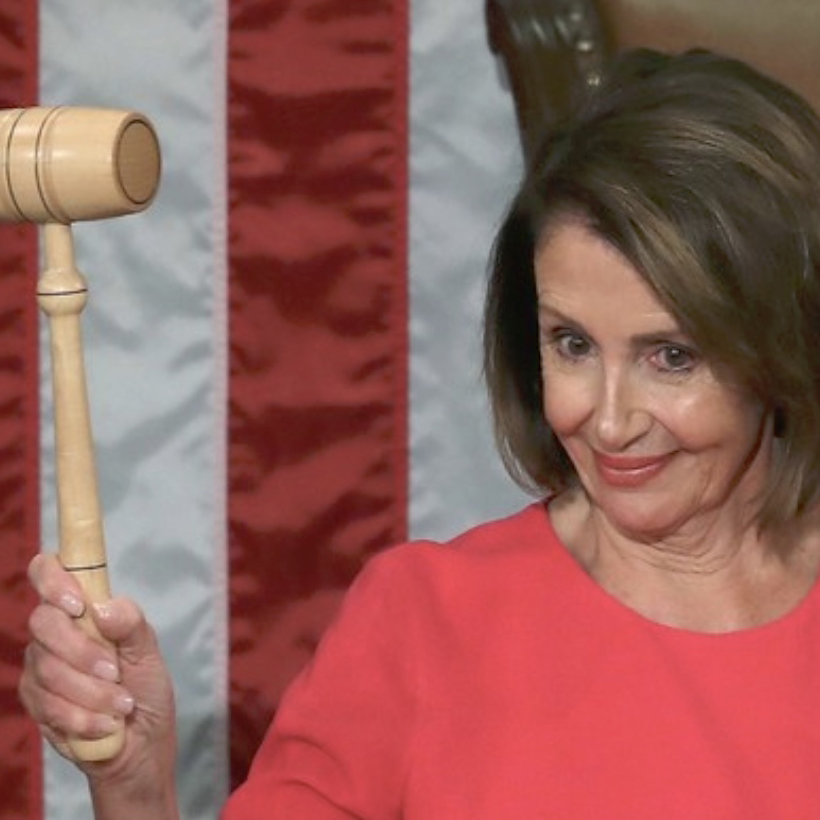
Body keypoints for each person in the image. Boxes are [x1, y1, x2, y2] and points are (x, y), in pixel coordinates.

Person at [20, 47, 820, 819]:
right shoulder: (424, 620)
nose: (609, 420)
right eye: (572, 344)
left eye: (672, 357)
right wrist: (135, 789)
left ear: (786, 340)